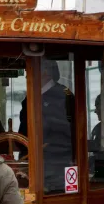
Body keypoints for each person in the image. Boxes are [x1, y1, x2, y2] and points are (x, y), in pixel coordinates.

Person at [18, 57, 74, 194]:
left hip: (56, 165)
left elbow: (69, 129)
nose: (26, 75)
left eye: (31, 70)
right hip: (33, 162)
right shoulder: (30, 98)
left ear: (46, 72)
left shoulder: (64, 95)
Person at [88, 94, 104, 180]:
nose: (95, 111)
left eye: (97, 107)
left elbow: (103, 148)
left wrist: (80, 143)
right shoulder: (99, 127)